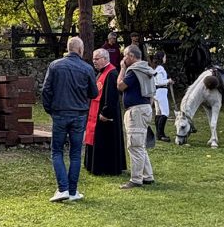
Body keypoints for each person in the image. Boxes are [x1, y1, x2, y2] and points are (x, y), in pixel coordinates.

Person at [41, 37, 97, 202]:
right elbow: (94, 93)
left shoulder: (55, 65)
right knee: (75, 153)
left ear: (68, 48)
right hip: (79, 114)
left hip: (60, 112)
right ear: (80, 50)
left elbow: (46, 89)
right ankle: (72, 191)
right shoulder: (87, 68)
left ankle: (63, 189)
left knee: (57, 151)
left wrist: (49, 109)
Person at [116, 46, 156, 189]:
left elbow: (120, 86)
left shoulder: (134, 71)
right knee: (140, 144)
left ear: (131, 56)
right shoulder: (147, 70)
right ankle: (148, 175)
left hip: (136, 111)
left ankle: (136, 179)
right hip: (145, 108)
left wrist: (121, 69)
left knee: (134, 145)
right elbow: (152, 92)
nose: (123, 59)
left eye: (125, 56)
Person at [84, 48, 125, 176]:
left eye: (97, 59)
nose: (94, 62)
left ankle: (106, 167)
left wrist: (105, 112)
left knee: (105, 141)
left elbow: (111, 96)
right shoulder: (101, 73)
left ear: (105, 59)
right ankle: (95, 165)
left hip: (106, 115)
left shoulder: (111, 73)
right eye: (93, 59)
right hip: (97, 112)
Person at [151, 50, 171, 141]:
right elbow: (159, 82)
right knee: (165, 113)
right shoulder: (160, 69)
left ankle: (159, 134)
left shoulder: (156, 68)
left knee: (158, 113)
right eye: (164, 57)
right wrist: (168, 81)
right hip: (161, 91)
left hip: (157, 92)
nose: (165, 58)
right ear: (162, 57)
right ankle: (161, 134)